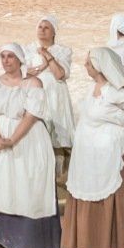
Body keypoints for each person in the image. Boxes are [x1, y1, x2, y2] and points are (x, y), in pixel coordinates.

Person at [59, 49, 124, 248]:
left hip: (110, 155)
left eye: (89, 63)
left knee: (112, 203)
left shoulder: (117, 92)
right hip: (88, 157)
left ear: (100, 67)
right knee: (87, 198)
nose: (85, 66)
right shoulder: (92, 89)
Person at [0, 45, 59, 248]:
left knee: (22, 185)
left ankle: (25, 238)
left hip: (25, 139)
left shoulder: (33, 83)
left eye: (10, 56)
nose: (6, 60)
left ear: (20, 59)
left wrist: (12, 140)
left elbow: (31, 115)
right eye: (2, 56)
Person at [25, 15, 74, 156]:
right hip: (36, 92)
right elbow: (24, 73)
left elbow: (59, 74)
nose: (42, 30)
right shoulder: (28, 49)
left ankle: (60, 166)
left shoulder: (63, 50)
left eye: (46, 28)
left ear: (54, 32)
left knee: (58, 138)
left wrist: (47, 55)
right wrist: (41, 67)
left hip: (55, 94)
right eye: (40, 27)